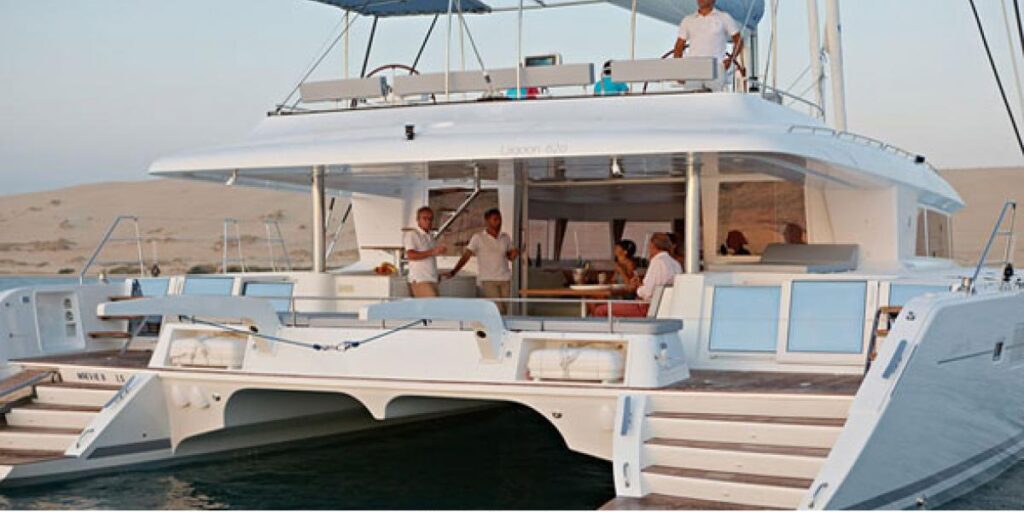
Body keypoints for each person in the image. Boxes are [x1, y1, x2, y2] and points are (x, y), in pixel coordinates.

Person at [445, 208, 520, 313]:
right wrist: (454, 271)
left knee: (504, 310)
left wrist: (515, 253)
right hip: (488, 279)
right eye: (495, 219)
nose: (498, 222)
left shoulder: (505, 237)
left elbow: (510, 257)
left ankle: (499, 323)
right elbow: (466, 256)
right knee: (497, 310)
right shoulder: (478, 238)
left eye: (500, 219)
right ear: (487, 221)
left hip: (505, 279)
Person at [592, 233, 681, 318]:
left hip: (646, 307)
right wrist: (640, 285)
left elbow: (646, 293)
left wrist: (638, 288)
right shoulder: (676, 264)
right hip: (665, 308)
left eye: (649, 247)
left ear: (653, 246)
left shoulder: (657, 262)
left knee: (600, 310)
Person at [672, 0, 743, 91]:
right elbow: (679, 46)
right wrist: (678, 71)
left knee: (714, 98)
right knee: (691, 98)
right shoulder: (688, 20)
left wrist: (731, 59)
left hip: (716, 67)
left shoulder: (724, 17)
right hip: (692, 68)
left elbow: (738, 40)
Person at [403, 206, 447, 298]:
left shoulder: (430, 237)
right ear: (418, 220)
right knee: (433, 305)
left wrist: (435, 274)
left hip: (432, 279)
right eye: (425, 218)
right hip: (420, 280)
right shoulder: (412, 234)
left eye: (430, 219)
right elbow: (411, 255)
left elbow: (430, 258)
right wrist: (433, 252)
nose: (428, 221)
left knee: (435, 306)